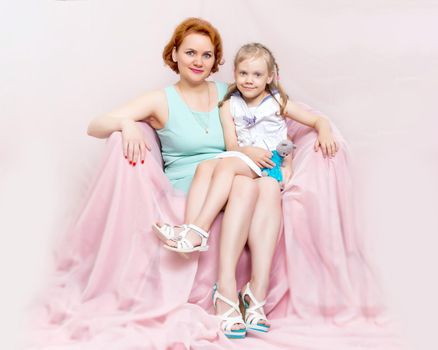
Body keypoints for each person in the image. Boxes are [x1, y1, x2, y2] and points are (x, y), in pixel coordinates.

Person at [153, 42, 338, 338]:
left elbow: (316, 119)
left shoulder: (278, 102)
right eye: (243, 73)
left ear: (270, 77)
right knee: (214, 167)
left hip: (271, 164)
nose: (249, 80)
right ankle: (241, 290)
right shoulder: (228, 104)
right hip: (247, 159)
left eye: (256, 74)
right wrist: (247, 151)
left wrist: (325, 129)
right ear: (235, 74)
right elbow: (232, 146)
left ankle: (196, 233)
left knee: (227, 169)